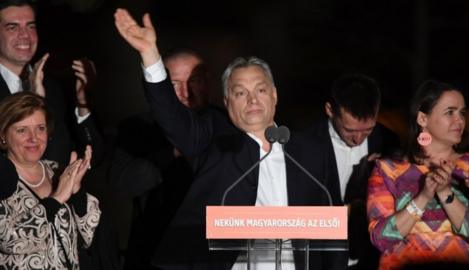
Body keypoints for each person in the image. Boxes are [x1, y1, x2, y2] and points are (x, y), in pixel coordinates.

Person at [114, 8, 331, 269]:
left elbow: (328, 230)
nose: (252, 99)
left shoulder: (310, 151)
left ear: (274, 95)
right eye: (240, 92)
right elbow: (172, 117)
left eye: (260, 90)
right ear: (227, 102)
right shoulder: (213, 142)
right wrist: (150, 55)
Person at [109, 48, 223, 270]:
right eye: (173, 84)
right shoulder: (138, 127)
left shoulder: (229, 124)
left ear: (208, 82)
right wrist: (173, 152)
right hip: (153, 253)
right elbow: (121, 184)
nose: (185, 91)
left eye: (195, 80)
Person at [367, 80, 469, 269]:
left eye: (462, 113)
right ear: (422, 119)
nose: (459, 120)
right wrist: (424, 197)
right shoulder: (387, 169)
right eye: (449, 112)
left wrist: (445, 193)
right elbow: (381, 238)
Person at [303, 73, 400, 270]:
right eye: (350, 130)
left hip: (371, 258)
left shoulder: (389, 142)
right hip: (320, 259)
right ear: (330, 110)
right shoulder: (303, 145)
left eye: (367, 130)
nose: (358, 140)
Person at [0, 92, 101, 269]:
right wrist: (56, 200)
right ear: (3, 135)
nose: (34, 138)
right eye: (22, 130)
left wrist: (77, 192)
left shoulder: (57, 171)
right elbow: (10, 241)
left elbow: (89, 236)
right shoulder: (3, 179)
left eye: (40, 128)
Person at [0, 0, 104, 167]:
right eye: (13, 27)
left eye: (31, 26)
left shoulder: (53, 86)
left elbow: (92, 157)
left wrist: (83, 101)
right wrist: (35, 102)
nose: (24, 35)